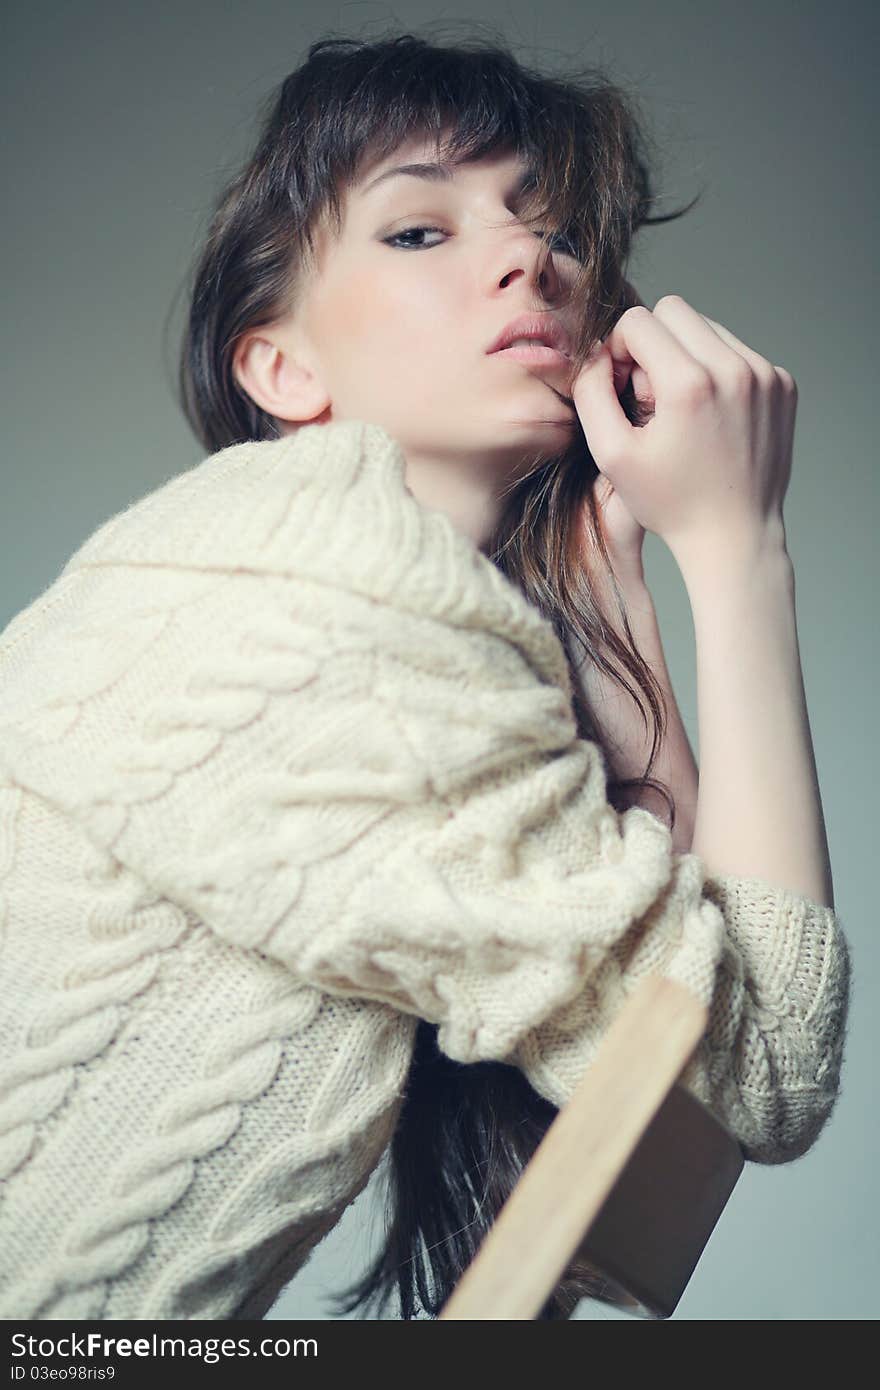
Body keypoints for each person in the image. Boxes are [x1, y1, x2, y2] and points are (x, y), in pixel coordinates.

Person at [0, 31, 852, 1322]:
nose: (531, 257)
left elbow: (687, 1074)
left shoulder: (441, 637)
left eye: (554, 228)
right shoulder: (312, 587)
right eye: (417, 232)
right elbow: (766, 1065)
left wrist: (626, 643)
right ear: (281, 369)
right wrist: (739, 547)